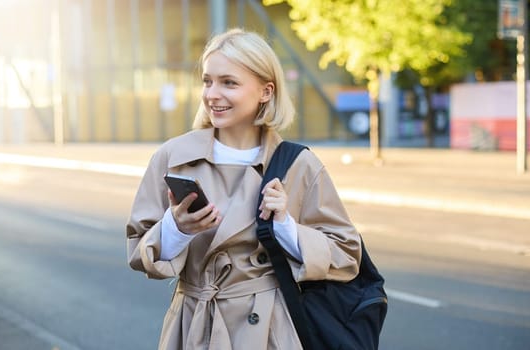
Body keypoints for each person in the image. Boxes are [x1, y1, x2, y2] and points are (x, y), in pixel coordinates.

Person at [126, 28, 362, 350]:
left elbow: (347, 255)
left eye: (229, 83)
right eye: (208, 81)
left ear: (266, 91)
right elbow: (139, 249)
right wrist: (176, 229)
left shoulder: (298, 164)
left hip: (268, 331)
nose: (212, 94)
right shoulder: (174, 157)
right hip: (194, 324)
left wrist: (285, 228)